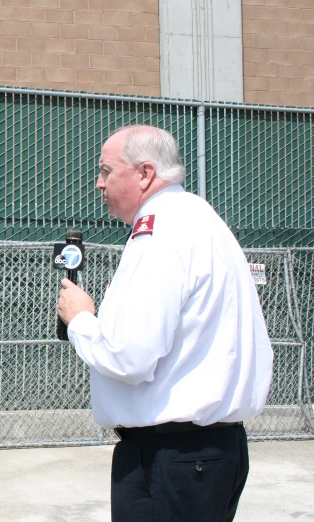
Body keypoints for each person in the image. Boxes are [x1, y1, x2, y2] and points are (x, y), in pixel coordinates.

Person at [57, 125, 273, 522]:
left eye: (107, 171)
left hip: (171, 459)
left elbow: (129, 357)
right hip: (210, 452)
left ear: (144, 173)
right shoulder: (202, 219)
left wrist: (80, 319)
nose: (98, 183)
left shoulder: (158, 232)